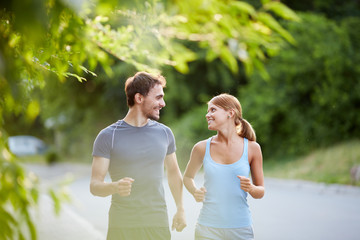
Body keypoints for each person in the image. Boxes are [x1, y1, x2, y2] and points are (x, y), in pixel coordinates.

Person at [90, 71, 186, 240]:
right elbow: (95, 186)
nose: (163, 103)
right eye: (158, 98)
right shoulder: (108, 136)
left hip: (157, 224)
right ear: (139, 98)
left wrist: (180, 208)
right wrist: (115, 187)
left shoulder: (165, 133)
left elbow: (173, 172)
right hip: (122, 226)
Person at [183, 93, 265, 240]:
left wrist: (251, 188)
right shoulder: (201, 148)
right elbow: (188, 177)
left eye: (213, 110)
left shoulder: (253, 148)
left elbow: (261, 191)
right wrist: (195, 191)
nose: (207, 115)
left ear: (230, 113)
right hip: (207, 228)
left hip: (241, 229)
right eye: (207, 111)